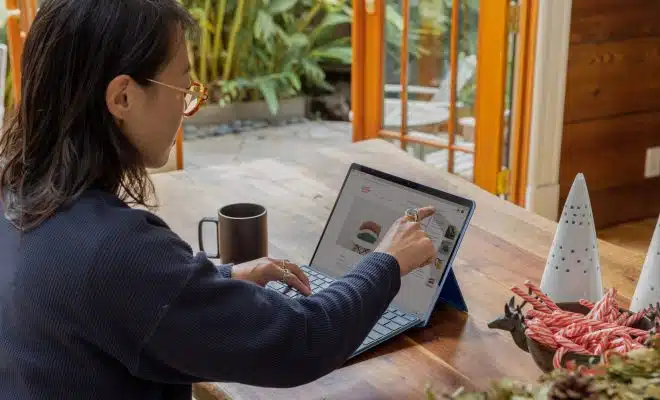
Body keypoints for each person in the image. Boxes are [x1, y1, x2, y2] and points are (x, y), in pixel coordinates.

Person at [0, 1, 437, 399]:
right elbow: (300, 341)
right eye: (182, 91)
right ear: (123, 97)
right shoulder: (114, 250)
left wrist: (219, 280)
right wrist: (388, 262)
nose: (184, 111)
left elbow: (115, 302)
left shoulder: (14, 195)